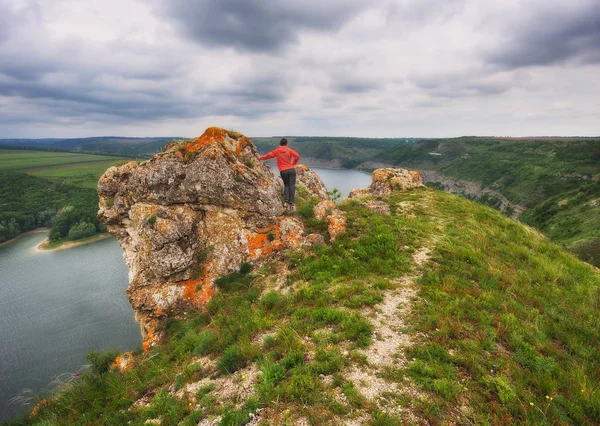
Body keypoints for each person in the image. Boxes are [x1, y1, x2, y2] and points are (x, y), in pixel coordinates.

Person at [259, 138, 300, 209]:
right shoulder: (289, 150)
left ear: (280, 143)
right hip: (291, 169)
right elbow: (297, 156)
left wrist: (260, 157)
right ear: (286, 144)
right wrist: (293, 164)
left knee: (286, 184)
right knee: (292, 185)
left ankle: (286, 200)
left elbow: (268, 156)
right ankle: (291, 201)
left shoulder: (277, 151)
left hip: (283, 171)